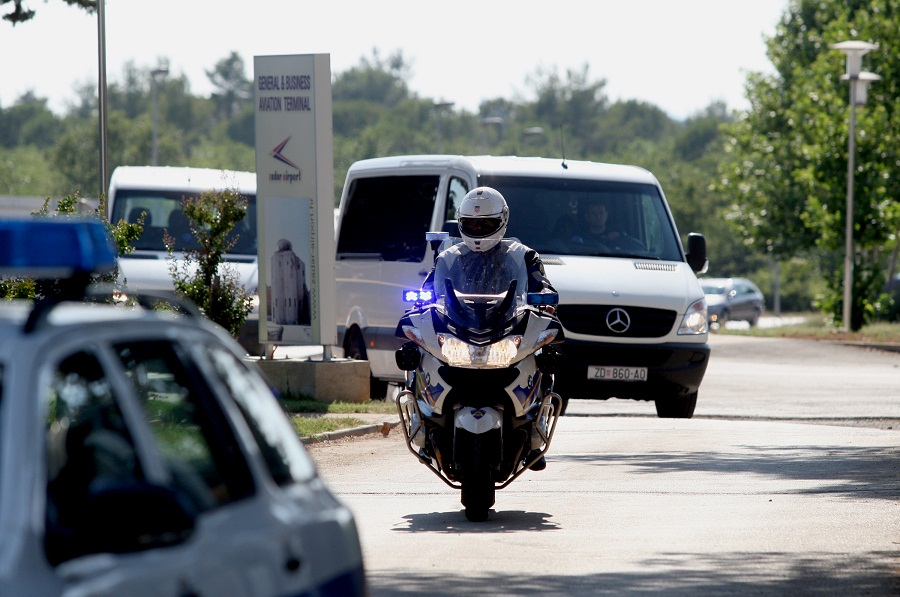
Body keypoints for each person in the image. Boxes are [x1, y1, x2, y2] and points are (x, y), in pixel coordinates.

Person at [421, 186, 557, 470]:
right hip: (461, 328)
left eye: (485, 224)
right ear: (461, 222)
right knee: (419, 351)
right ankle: (422, 421)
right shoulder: (449, 256)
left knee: (545, 358)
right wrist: (421, 302)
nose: (477, 230)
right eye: (471, 224)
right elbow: (429, 288)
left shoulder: (524, 255)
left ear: (502, 221)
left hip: (504, 327)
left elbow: (541, 285)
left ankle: (535, 429)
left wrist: (545, 300)